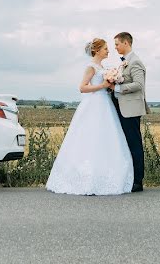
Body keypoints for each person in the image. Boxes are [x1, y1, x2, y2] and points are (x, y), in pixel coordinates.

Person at [45, 38, 134, 195]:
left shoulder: (103, 67)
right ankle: (84, 178)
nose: (108, 51)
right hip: (94, 104)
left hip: (105, 104)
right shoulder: (91, 67)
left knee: (105, 139)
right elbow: (82, 87)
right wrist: (103, 86)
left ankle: (103, 176)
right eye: (106, 48)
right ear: (97, 50)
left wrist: (110, 86)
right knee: (90, 138)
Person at [112, 32, 150, 193]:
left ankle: (138, 181)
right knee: (126, 143)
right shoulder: (125, 62)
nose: (115, 47)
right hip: (122, 108)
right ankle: (129, 177)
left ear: (126, 43)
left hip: (131, 110)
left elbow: (139, 85)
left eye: (117, 44)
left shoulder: (135, 62)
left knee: (134, 144)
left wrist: (118, 88)